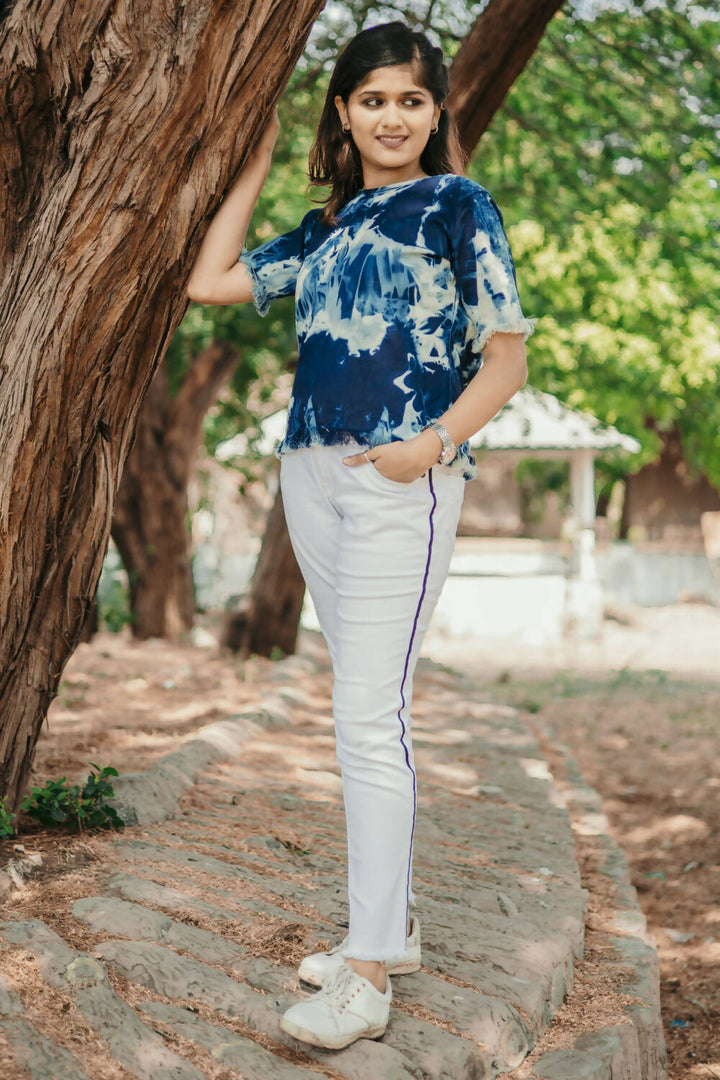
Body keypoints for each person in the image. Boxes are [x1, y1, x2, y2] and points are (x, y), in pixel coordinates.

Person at [187, 19, 536, 1053]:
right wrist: (250, 160)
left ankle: (370, 971)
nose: (393, 116)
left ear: (436, 115)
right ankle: (395, 925)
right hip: (311, 475)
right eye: (372, 99)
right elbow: (209, 281)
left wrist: (427, 450)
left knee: (363, 718)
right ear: (342, 112)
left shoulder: (458, 206)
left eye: (412, 100)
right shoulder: (328, 224)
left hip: (400, 482)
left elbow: (506, 363)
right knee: (364, 705)